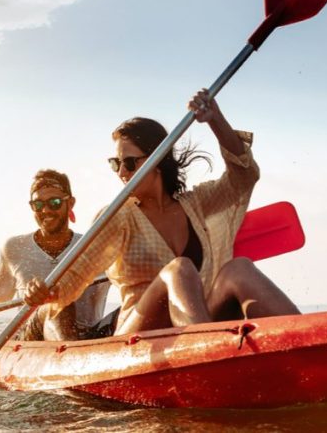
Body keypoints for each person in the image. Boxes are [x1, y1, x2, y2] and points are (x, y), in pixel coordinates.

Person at [25, 90, 299, 335]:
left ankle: (308, 338)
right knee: (178, 269)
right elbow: (75, 277)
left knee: (238, 268)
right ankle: (202, 351)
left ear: (158, 160)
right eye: (116, 163)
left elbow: (244, 175)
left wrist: (215, 120)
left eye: (130, 163)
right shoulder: (117, 216)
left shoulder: (196, 203)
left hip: (197, 321)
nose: (122, 173)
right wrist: (43, 291)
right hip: (139, 332)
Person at [0, 169, 108, 341]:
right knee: (57, 304)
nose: (46, 211)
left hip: (89, 336)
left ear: (70, 203)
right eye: (38, 205)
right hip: (34, 336)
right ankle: (70, 354)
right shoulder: (15, 248)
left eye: (55, 203)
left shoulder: (96, 247)